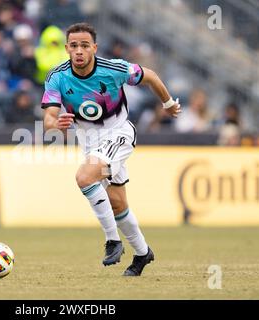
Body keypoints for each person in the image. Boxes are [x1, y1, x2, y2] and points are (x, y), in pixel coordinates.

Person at [42, 23, 181, 276]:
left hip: (118, 132)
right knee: (117, 204)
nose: (79, 51)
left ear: (94, 47)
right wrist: (57, 122)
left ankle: (112, 241)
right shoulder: (57, 77)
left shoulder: (113, 69)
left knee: (84, 177)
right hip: (89, 142)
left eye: (85, 45)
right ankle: (142, 254)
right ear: (67, 49)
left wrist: (168, 103)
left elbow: (148, 75)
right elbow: (49, 118)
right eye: (74, 46)